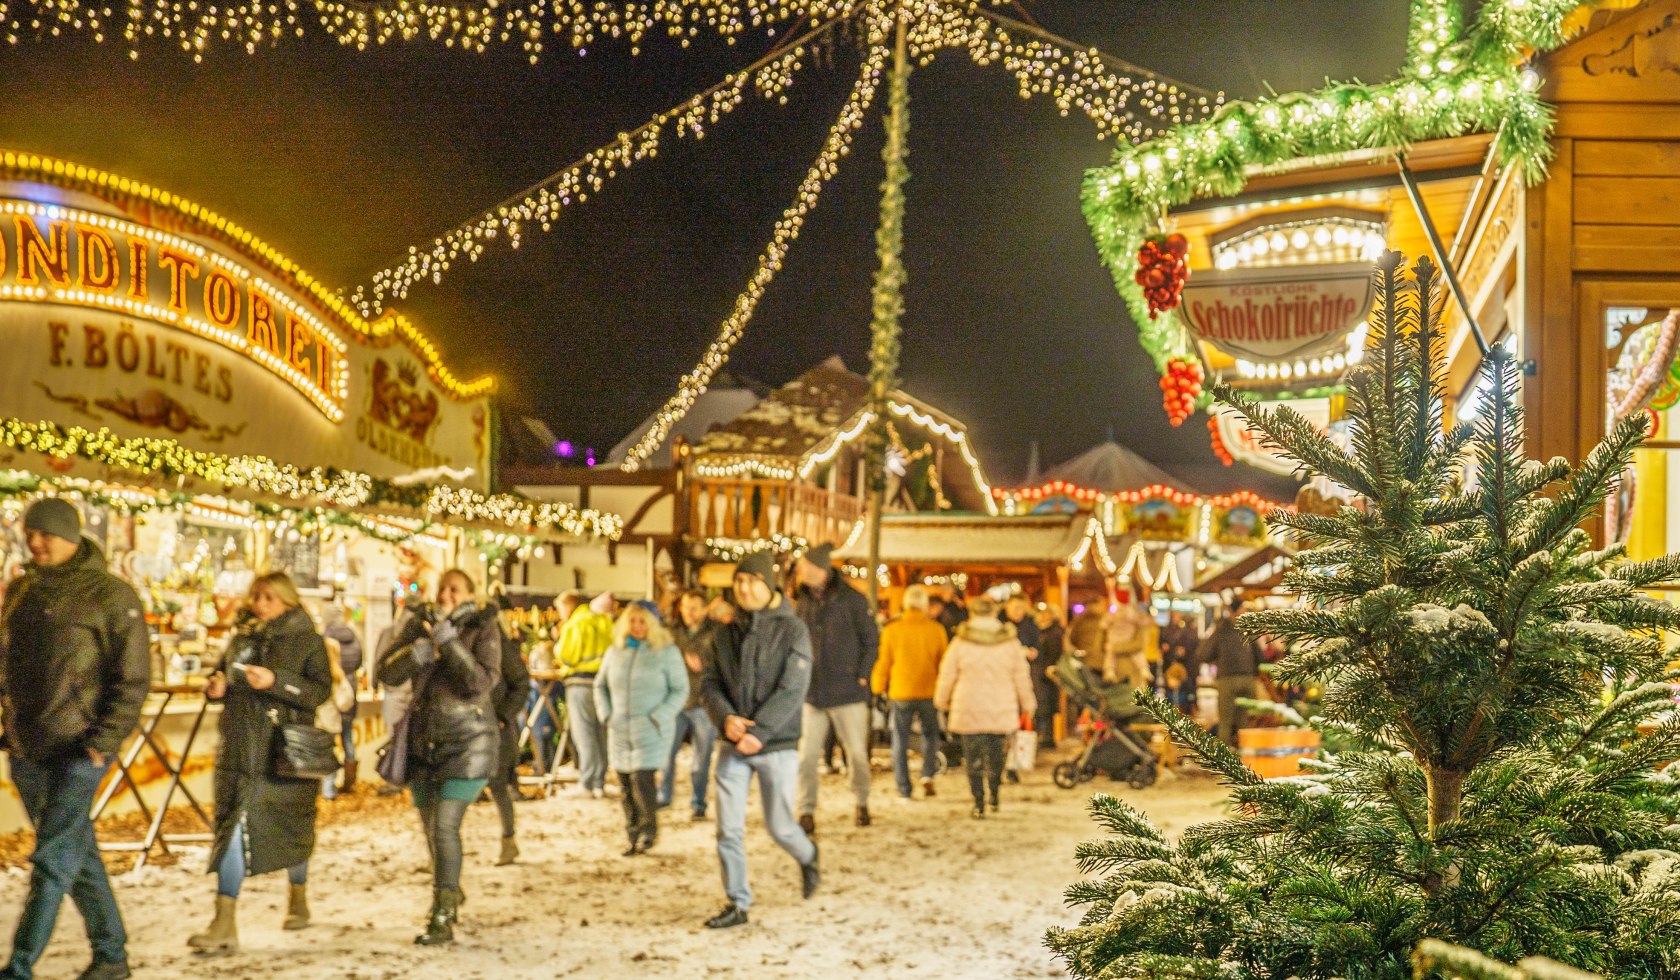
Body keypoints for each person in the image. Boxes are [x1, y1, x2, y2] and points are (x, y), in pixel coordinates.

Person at [0, 499, 148, 980]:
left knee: (53, 859)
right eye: (30, 532)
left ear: (69, 534)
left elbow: (133, 677)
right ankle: (111, 955)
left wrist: (103, 740)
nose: (35, 541)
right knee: (75, 853)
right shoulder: (21, 590)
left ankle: (19, 967)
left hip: (80, 749)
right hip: (27, 745)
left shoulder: (111, 595)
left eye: (45, 533)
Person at [189, 572, 332, 956]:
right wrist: (216, 687)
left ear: (286, 600)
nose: (260, 603)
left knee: (290, 827)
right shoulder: (242, 638)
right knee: (232, 829)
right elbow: (221, 674)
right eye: (256, 596)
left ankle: (297, 896)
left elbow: (319, 692)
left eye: (268, 597)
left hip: (283, 754)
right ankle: (224, 921)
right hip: (238, 750)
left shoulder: (308, 641)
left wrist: (275, 681)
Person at [375, 569, 501, 945]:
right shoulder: (419, 624)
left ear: (470, 595)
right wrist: (415, 654)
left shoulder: (483, 625)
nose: (446, 594)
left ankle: (442, 914)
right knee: (431, 828)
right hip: (423, 743)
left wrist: (450, 643)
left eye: (455, 589)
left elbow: (478, 682)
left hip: (469, 742)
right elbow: (386, 674)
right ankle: (450, 885)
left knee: (445, 826)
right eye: (442, 588)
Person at [699, 552, 819, 929]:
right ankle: (738, 901)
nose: (744, 588)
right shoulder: (724, 632)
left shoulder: (793, 630)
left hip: (776, 745)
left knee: (779, 825)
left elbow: (792, 689)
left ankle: (808, 853)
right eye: (738, 581)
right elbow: (710, 684)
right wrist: (726, 719)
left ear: (768, 585)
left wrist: (760, 732)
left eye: (751, 581)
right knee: (727, 829)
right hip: (733, 744)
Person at [791, 542, 878, 833]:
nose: (800, 571)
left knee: (856, 754)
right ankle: (805, 810)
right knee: (807, 757)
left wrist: (862, 675)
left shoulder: (852, 599)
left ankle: (862, 801)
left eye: (804, 566)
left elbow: (871, 640)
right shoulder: (802, 601)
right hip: (813, 693)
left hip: (848, 690)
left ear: (819, 569)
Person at [595, 603, 688, 856]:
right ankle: (632, 832)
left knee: (641, 779)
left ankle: (648, 830)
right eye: (632, 621)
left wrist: (660, 715)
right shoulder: (616, 652)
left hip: (650, 727)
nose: (637, 626)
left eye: (642, 621)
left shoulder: (666, 652)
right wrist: (606, 714)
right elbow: (600, 686)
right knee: (624, 783)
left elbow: (680, 689)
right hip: (620, 728)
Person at [934, 596, 1035, 820]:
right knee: (996, 753)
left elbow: (947, 674)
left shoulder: (960, 642)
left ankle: (978, 801)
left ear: (972, 614)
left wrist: (941, 700)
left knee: (972, 756)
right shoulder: (1009, 642)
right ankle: (995, 794)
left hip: (968, 704)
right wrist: (1028, 703)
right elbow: (1021, 675)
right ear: (994, 614)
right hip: (1001, 705)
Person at [871, 584, 948, 802]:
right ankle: (927, 773)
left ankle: (904, 787)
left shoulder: (892, 629)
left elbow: (884, 662)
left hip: (901, 691)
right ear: (924, 605)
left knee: (900, 739)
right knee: (931, 735)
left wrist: (877, 688)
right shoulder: (936, 630)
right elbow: (943, 663)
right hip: (929, 690)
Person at [659, 589, 719, 819]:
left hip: (704, 702)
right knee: (666, 752)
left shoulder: (716, 633)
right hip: (677, 702)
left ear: (705, 609)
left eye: (693, 607)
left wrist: (704, 665)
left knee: (700, 759)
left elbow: (726, 664)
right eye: (685, 607)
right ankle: (663, 796)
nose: (688, 612)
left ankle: (698, 803)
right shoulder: (673, 632)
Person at [557, 591, 615, 797]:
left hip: (580, 683)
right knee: (601, 733)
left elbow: (566, 655)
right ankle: (599, 781)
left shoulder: (576, 623)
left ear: (569, 606)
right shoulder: (605, 621)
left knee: (585, 733)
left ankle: (587, 782)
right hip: (604, 683)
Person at [489, 593, 531, 866]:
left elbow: (520, 683)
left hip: (496, 727)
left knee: (498, 786)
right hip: (469, 727)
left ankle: (508, 839)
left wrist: (504, 714)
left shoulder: (502, 646)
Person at [1198, 598, 1260, 747]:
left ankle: (1225, 758)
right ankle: (1245, 754)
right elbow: (1260, 656)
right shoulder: (1247, 630)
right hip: (1247, 678)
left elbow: (1204, 653)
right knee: (1243, 720)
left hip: (1227, 679)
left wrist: (1218, 661)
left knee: (1225, 721)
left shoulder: (1221, 630)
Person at [996, 590, 1040, 783]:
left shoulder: (1030, 626)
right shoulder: (998, 626)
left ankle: (1012, 765)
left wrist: (1031, 652)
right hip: (1000, 683)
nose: (1018, 612)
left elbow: (1038, 648)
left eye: (1021, 608)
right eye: (1015, 608)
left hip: (1021, 680)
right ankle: (997, 764)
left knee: (1018, 726)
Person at [320, 603, 362, 790]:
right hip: (349, 689)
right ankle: (350, 781)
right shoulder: (354, 636)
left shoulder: (325, 638)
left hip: (331, 691)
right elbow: (360, 661)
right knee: (347, 736)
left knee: (327, 738)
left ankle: (328, 785)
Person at [1031, 603, 1066, 750]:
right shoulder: (1038, 631)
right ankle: (1043, 736)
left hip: (1046, 674)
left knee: (1045, 706)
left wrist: (1048, 667)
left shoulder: (1055, 632)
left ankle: (1046, 737)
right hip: (1039, 674)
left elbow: (1054, 653)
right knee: (1041, 706)